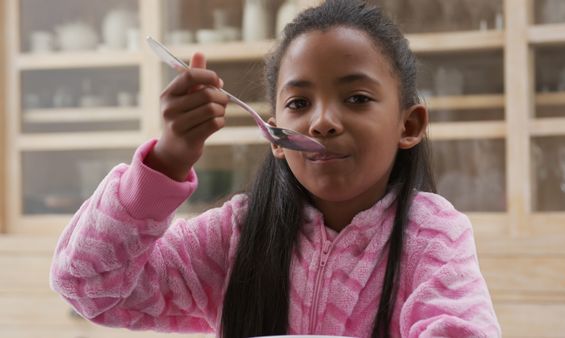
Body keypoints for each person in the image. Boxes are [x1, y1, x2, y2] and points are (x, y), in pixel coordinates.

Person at [50, 0, 501, 337]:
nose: (322, 120)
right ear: (274, 135)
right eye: (299, 103)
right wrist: (166, 160)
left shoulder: (433, 237)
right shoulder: (235, 236)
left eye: (357, 99)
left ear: (409, 124)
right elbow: (88, 284)